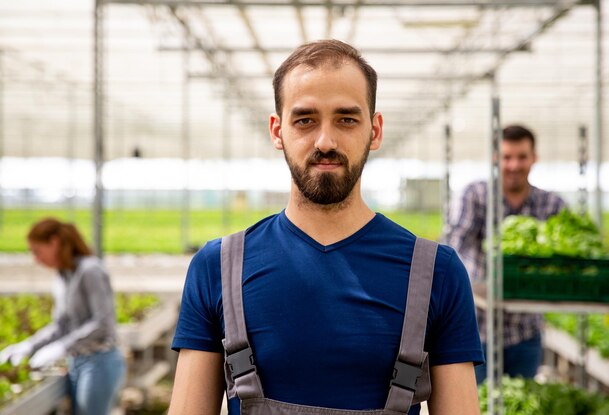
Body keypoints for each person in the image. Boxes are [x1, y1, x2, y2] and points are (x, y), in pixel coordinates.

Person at [169, 39, 483, 415]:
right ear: (277, 131)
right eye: (305, 120)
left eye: (347, 119)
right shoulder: (218, 267)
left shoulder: (437, 273)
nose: (326, 141)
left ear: (375, 130)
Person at [446, 124, 567, 384]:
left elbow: (564, 260)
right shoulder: (475, 196)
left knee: (520, 402)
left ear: (534, 158)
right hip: (475, 331)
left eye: (522, 157)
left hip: (525, 331)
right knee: (475, 405)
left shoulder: (551, 204)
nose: (514, 165)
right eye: (507, 157)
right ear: (495, 157)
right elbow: (453, 246)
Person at [0, 218, 126, 415]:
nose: (36, 259)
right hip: (76, 361)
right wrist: (29, 346)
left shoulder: (90, 270)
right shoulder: (63, 275)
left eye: (37, 251)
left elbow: (104, 322)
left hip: (99, 361)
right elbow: (60, 325)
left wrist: (62, 346)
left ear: (54, 242)